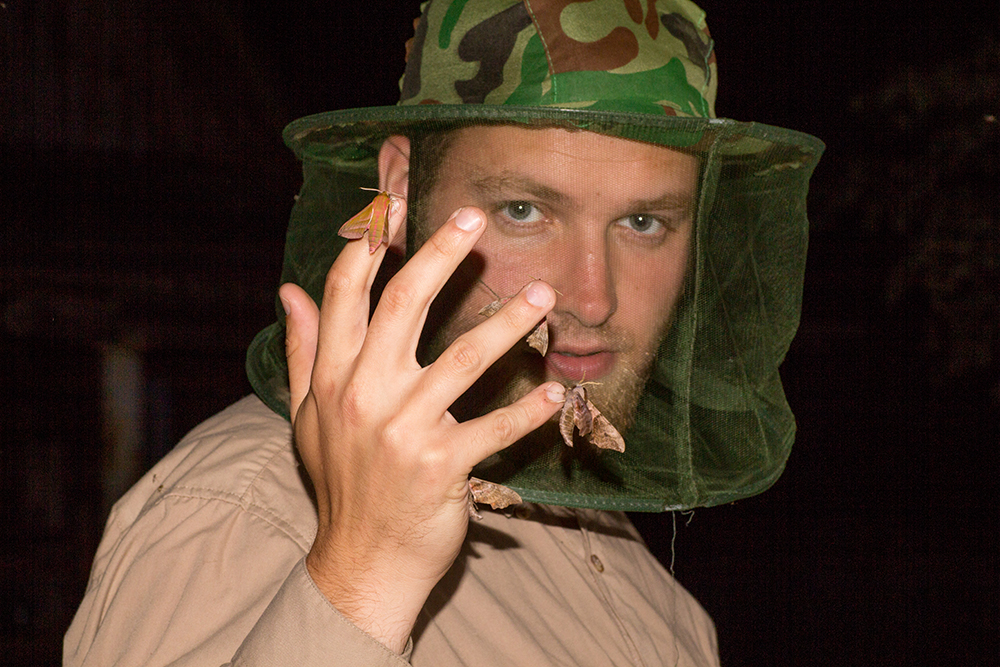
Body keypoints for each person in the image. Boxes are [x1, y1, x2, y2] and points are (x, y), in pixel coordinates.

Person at [65, 1, 823, 665]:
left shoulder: (606, 538)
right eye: (524, 210)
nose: (595, 299)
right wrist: (362, 575)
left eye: (644, 221)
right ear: (402, 189)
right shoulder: (239, 514)